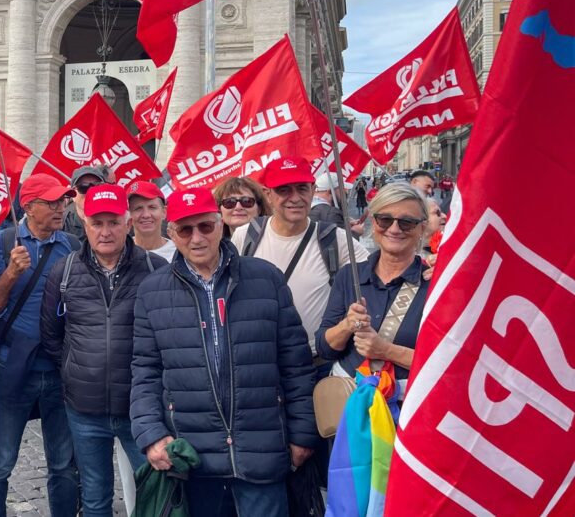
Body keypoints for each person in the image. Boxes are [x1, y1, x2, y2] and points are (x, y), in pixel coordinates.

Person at [131, 189, 318, 516]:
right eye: (185, 230)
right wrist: (151, 435)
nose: (197, 238)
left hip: (261, 450)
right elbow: (144, 371)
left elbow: (296, 365)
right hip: (193, 456)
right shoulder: (152, 291)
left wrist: (303, 434)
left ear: (221, 225)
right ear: (171, 233)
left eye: (205, 226)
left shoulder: (265, 278)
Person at [41, 184, 168, 517]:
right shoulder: (64, 271)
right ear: (86, 226)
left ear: (128, 224)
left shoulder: (156, 270)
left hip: (140, 408)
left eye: (113, 222)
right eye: (98, 223)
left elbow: (171, 335)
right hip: (84, 408)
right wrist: (76, 369)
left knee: (154, 495)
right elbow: (52, 337)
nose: (106, 231)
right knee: (96, 498)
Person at [0, 173, 80, 517]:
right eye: (51, 202)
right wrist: (10, 274)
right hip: (13, 365)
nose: (59, 208)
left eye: (62, 201)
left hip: (59, 368)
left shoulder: (72, 246)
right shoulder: (5, 242)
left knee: (63, 465)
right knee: (1, 461)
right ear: (28, 206)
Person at [232, 157, 369, 359]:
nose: (295, 198)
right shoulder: (246, 236)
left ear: (313, 191)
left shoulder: (334, 238)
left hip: (315, 361)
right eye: (284, 190)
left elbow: (378, 274)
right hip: (262, 361)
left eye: (302, 188)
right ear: (268, 194)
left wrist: (426, 266)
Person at [315, 183, 431, 395]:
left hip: (406, 413)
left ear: (422, 228)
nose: (394, 229)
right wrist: (347, 325)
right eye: (385, 220)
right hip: (350, 411)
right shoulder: (350, 276)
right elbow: (325, 348)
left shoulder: (433, 283)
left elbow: (447, 362)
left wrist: (387, 351)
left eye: (406, 223)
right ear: (373, 222)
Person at [127, 180, 176, 261]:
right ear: (129, 215)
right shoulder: (120, 254)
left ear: (164, 212)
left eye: (152, 207)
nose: (146, 215)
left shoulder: (179, 253)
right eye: (138, 208)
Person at [63, 165, 110, 241]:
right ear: (73, 194)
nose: (90, 192)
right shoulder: (62, 225)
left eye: (97, 186)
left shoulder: (118, 219)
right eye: (83, 187)